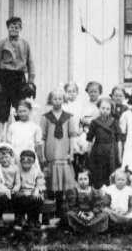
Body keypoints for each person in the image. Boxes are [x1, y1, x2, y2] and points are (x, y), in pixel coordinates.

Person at [0, 17, 35, 137]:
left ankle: (19, 137)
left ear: (20, 28)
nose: (14, 29)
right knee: (2, 110)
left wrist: (30, 81)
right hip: (4, 78)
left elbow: (30, 63)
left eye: (17, 27)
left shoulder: (25, 44)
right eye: (12, 27)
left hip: (19, 79)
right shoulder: (2, 43)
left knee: (19, 108)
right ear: (8, 28)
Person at [41, 88, 77, 224]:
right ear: (51, 100)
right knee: (50, 184)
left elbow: (72, 136)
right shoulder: (45, 117)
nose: (57, 101)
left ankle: (60, 212)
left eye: (60, 98)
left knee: (62, 185)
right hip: (50, 153)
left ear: (64, 100)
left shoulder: (69, 117)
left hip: (63, 153)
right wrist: (43, 155)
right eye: (55, 98)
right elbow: (43, 138)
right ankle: (49, 212)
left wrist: (71, 152)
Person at [87, 97, 121, 189]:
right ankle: (98, 197)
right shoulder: (94, 122)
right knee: (98, 174)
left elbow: (118, 139)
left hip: (111, 151)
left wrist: (119, 156)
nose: (105, 111)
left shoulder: (114, 122)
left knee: (111, 174)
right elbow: (89, 139)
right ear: (98, 108)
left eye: (108, 109)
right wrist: (89, 154)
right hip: (98, 151)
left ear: (111, 110)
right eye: (103, 108)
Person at [13, 149, 45, 229]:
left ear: (33, 162)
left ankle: (35, 219)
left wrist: (37, 191)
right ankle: (22, 219)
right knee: (23, 199)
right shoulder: (18, 170)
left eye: (29, 162)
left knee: (38, 199)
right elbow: (17, 183)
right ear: (21, 162)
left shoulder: (36, 171)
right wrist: (20, 191)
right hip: (22, 191)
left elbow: (40, 182)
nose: (26, 165)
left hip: (33, 191)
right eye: (24, 162)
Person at [6, 99, 43, 169]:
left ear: (30, 111)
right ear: (17, 112)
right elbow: (9, 143)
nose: (22, 114)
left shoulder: (35, 127)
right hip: (16, 157)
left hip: (29, 157)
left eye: (25, 111)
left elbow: (38, 145)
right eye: (20, 111)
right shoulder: (13, 126)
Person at [0, 143, 20, 227]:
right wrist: (6, 191)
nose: (4, 160)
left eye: (6, 157)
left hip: (12, 190)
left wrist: (15, 188)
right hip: (2, 190)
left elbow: (17, 182)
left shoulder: (15, 168)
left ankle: (18, 217)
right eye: (1, 158)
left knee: (18, 197)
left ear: (11, 157)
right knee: (1, 198)